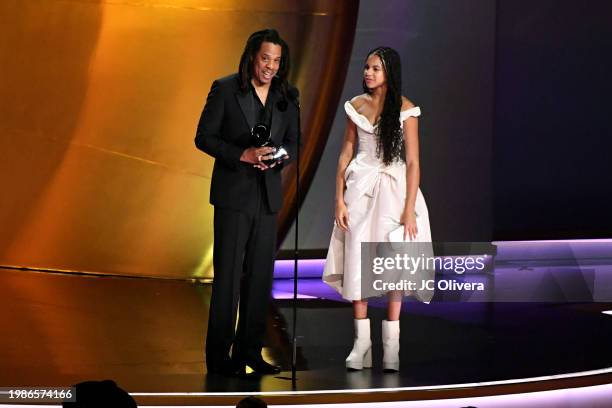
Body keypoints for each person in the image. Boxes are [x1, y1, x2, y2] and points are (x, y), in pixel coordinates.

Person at [195, 28, 299, 376]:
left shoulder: (287, 95)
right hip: (234, 195)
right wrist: (243, 154)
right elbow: (204, 137)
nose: (270, 67)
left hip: (267, 196)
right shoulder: (225, 89)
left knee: (258, 279)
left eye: (277, 60)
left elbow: (293, 143)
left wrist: (278, 156)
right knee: (227, 279)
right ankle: (219, 358)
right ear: (252, 56)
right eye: (265, 58)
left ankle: (250, 353)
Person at [323, 46, 432, 372]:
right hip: (361, 188)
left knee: (391, 263)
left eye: (374, 68)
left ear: (388, 73)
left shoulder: (406, 110)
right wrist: (339, 198)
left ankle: (391, 346)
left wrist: (410, 208)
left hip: (395, 191)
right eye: (366, 67)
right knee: (359, 259)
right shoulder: (356, 106)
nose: (367, 73)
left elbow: (413, 162)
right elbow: (346, 152)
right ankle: (362, 344)